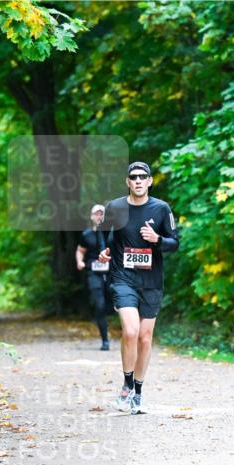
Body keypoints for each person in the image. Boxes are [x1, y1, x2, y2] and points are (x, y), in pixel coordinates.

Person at [98, 161, 179, 414]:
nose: (138, 181)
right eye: (134, 177)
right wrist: (104, 249)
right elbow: (102, 231)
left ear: (150, 181)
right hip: (123, 278)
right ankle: (126, 384)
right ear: (128, 182)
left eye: (143, 177)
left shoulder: (162, 208)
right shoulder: (115, 207)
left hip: (151, 282)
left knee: (145, 338)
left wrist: (158, 240)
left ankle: (138, 393)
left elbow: (175, 243)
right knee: (131, 331)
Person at [76, 204, 112, 351]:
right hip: (93, 272)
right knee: (99, 305)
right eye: (96, 214)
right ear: (91, 217)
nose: (99, 216)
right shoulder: (86, 234)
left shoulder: (112, 233)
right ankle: (105, 340)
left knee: (114, 303)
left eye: (101, 214)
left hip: (111, 273)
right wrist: (79, 261)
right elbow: (80, 250)